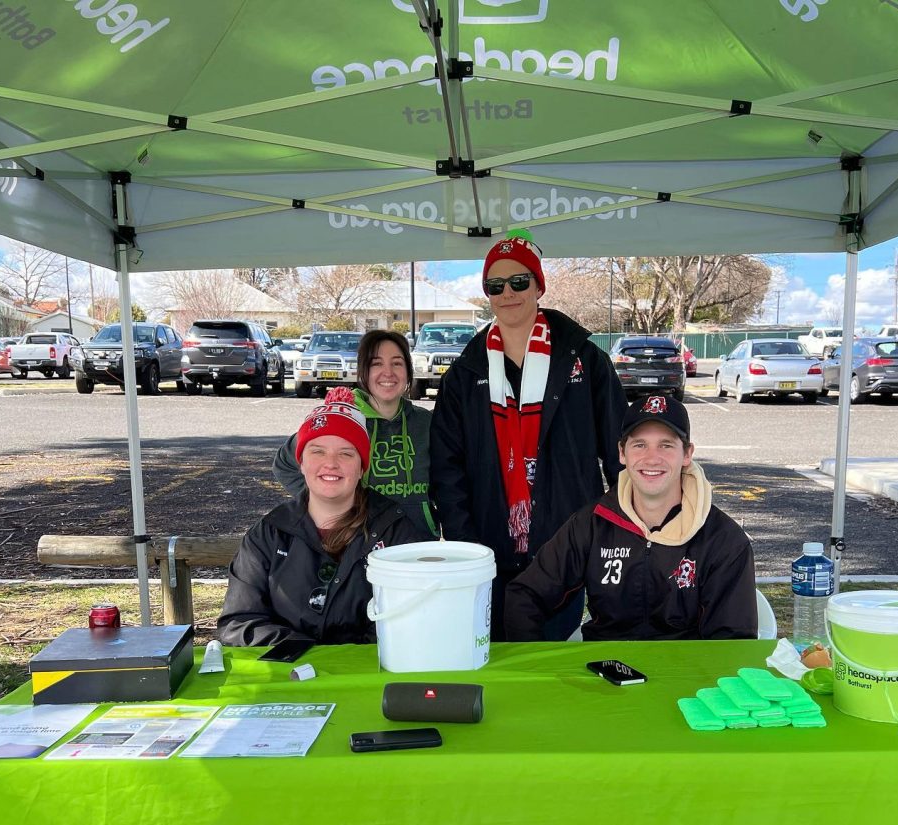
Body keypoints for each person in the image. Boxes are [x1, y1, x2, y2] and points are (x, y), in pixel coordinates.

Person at [430, 229, 626, 640]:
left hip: (565, 541)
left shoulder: (585, 361)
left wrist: (604, 531)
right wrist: (467, 544)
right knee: (494, 658)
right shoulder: (466, 371)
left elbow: (618, 453)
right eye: (494, 285)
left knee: (550, 660)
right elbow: (448, 468)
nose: (508, 293)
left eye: (520, 281)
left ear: (539, 285)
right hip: (489, 546)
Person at [504, 394, 757, 641]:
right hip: (604, 671)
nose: (652, 458)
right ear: (622, 453)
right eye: (639, 445)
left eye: (666, 445)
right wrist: (537, 665)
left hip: (686, 676)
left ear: (687, 454)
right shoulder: (592, 524)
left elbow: (733, 642)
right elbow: (525, 595)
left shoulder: (724, 539)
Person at [219, 388, 431, 647]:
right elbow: (239, 623)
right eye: (318, 451)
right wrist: (306, 655)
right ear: (301, 463)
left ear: (362, 466)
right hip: (288, 679)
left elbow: (412, 619)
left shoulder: (397, 531)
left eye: (346, 453)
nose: (331, 463)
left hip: (366, 680)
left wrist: (346, 664)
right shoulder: (269, 534)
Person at [274, 330, 437, 536]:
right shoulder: (341, 418)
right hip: (357, 545)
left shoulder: (427, 423)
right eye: (376, 363)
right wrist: (326, 501)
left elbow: (449, 479)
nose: (388, 372)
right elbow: (284, 465)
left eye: (397, 363)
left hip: (417, 542)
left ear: (408, 371)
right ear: (363, 371)